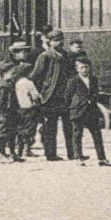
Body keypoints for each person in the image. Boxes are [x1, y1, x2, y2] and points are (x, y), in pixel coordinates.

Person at [29, 30, 75, 161]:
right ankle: (51, 154)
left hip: (65, 96)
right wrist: (40, 92)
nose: (59, 43)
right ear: (49, 42)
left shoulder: (65, 55)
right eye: (55, 40)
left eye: (60, 40)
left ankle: (73, 153)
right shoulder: (45, 56)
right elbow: (35, 76)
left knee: (69, 126)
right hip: (51, 96)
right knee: (51, 127)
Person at [65, 57, 111, 165]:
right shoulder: (73, 81)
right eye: (82, 67)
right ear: (77, 69)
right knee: (77, 135)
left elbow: (95, 93)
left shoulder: (94, 80)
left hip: (91, 112)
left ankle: (102, 158)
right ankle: (78, 158)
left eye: (86, 67)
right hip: (78, 111)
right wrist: (71, 109)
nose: (84, 70)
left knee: (97, 135)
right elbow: (67, 96)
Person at [0, 60, 22, 162]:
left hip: (11, 111)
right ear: (4, 73)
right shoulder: (2, 86)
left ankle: (12, 153)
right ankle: (0, 152)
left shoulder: (9, 83)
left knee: (13, 132)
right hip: (3, 113)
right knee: (3, 132)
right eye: (12, 73)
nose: (14, 75)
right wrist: (1, 114)